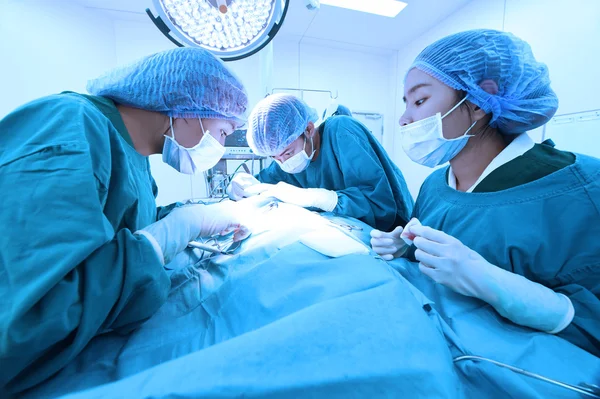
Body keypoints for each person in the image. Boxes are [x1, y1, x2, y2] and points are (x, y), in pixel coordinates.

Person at [0, 47, 250, 394]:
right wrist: (177, 229)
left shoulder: (137, 164)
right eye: (224, 132)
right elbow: (24, 319)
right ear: (190, 109)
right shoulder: (70, 125)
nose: (221, 145)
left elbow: (125, 227)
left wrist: (188, 218)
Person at [370, 29, 600, 357]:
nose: (405, 118)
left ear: (477, 102)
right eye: (406, 104)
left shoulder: (582, 188)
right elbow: (435, 259)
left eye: (420, 100)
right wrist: (405, 247)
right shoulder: (436, 186)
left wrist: (490, 281)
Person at [226, 94, 414, 231]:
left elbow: (380, 205)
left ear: (308, 130)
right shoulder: (283, 161)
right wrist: (239, 185)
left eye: (287, 152)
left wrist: (318, 198)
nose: (283, 162)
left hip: (392, 236)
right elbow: (259, 184)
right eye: (274, 158)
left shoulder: (341, 132)